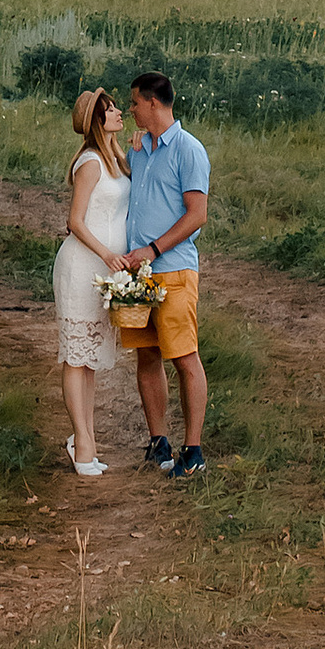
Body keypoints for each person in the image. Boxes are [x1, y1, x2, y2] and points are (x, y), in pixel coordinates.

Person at [122, 68, 210, 478]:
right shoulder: (140, 149)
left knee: (184, 356)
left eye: (134, 102)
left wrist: (153, 249)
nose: (131, 109)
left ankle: (193, 451)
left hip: (173, 270)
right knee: (147, 354)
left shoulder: (189, 150)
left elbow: (197, 215)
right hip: (139, 275)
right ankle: (159, 442)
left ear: (152, 102)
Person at [51, 84, 131, 474]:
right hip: (83, 267)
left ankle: (85, 438)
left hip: (105, 272)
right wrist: (107, 255)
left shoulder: (113, 159)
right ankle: (82, 442)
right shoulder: (90, 163)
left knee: (91, 359)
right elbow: (75, 221)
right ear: (99, 120)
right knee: (76, 355)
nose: (119, 112)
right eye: (112, 109)